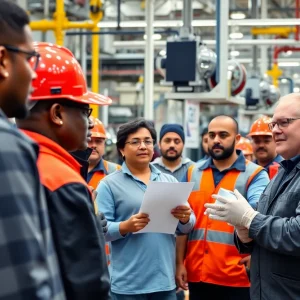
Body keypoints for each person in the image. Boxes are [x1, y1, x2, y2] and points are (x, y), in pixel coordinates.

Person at [16, 42, 111, 300]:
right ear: (57, 113)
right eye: (84, 111)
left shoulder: (13, 163)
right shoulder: (61, 179)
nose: (90, 123)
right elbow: (88, 286)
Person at [205, 93, 300, 300]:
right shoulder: (282, 171)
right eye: (273, 124)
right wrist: (244, 233)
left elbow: (297, 234)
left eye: (284, 122)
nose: (275, 130)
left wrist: (250, 219)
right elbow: (263, 228)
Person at [0, 2, 65, 299]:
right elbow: (24, 280)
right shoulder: (8, 148)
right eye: (31, 59)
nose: (35, 75)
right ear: (3, 60)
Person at [96, 118, 195, 299]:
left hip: (164, 282)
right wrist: (125, 227)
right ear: (122, 149)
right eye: (135, 142)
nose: (143, 146)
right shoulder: (109, 185)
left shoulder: (169, 181)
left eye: (147, 141)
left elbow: (187, 227)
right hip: (128, 284)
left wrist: (185, 217)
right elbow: (100, 231)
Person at [176, 115, 270, 300]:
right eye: (212, 135)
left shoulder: (255, 175)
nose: (216, 140)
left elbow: (261, 220)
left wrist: (257, 257)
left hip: (237, 276)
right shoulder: (191, 173)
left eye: (223, 135)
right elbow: (182, 223)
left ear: (236, 139)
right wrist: (179, 262)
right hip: (198, 273)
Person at [88, 116, 121, 189]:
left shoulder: (117, 171)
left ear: (104, 144)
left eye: (98, 141)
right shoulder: (69, 169)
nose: (94, 145)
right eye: (89, 141)